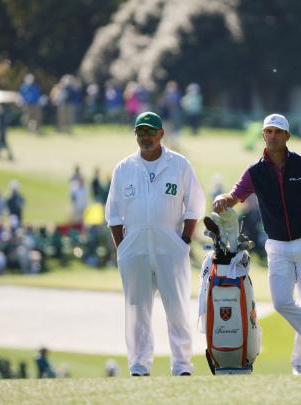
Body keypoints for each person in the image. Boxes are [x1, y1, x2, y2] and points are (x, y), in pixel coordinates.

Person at [213, 113, 301, 375]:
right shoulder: (254, 171)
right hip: (277, 246)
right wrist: (221, 198)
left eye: (277, 131)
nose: (272, 136)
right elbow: (235, 195)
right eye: (268, 131)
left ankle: (300, 364)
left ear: (287, 136)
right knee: (282, 302)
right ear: (263, 135)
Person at [105, 111, 205, 376]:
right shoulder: (124, 168)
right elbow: (113, 214)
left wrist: (183, 241)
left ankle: (182, 365)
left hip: (169, 246)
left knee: (177, 307)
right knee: (137, 309)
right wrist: (122, 248)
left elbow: (194, 207)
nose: (145, 137)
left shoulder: (179, 165)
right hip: (134, 246)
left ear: (162, 134)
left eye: (150, 132)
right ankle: (139, 365)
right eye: (140, 132)